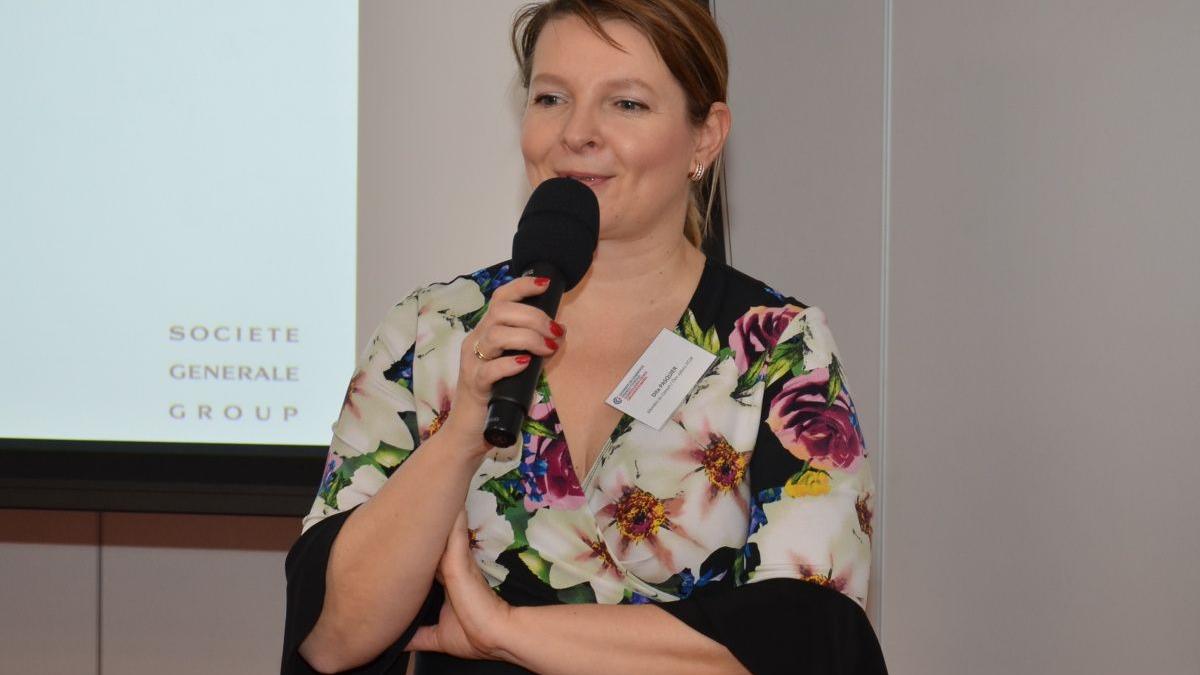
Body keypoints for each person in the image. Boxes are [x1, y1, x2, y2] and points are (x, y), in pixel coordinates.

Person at [282, 1, 887, 673]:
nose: (577, 133)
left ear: (705, 138)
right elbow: (330, 641)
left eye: (626, 104)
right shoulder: (430, 332)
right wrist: (460, 438)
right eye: (551, 98)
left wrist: (504, 629)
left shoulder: (778, 349)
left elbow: (810, 644)